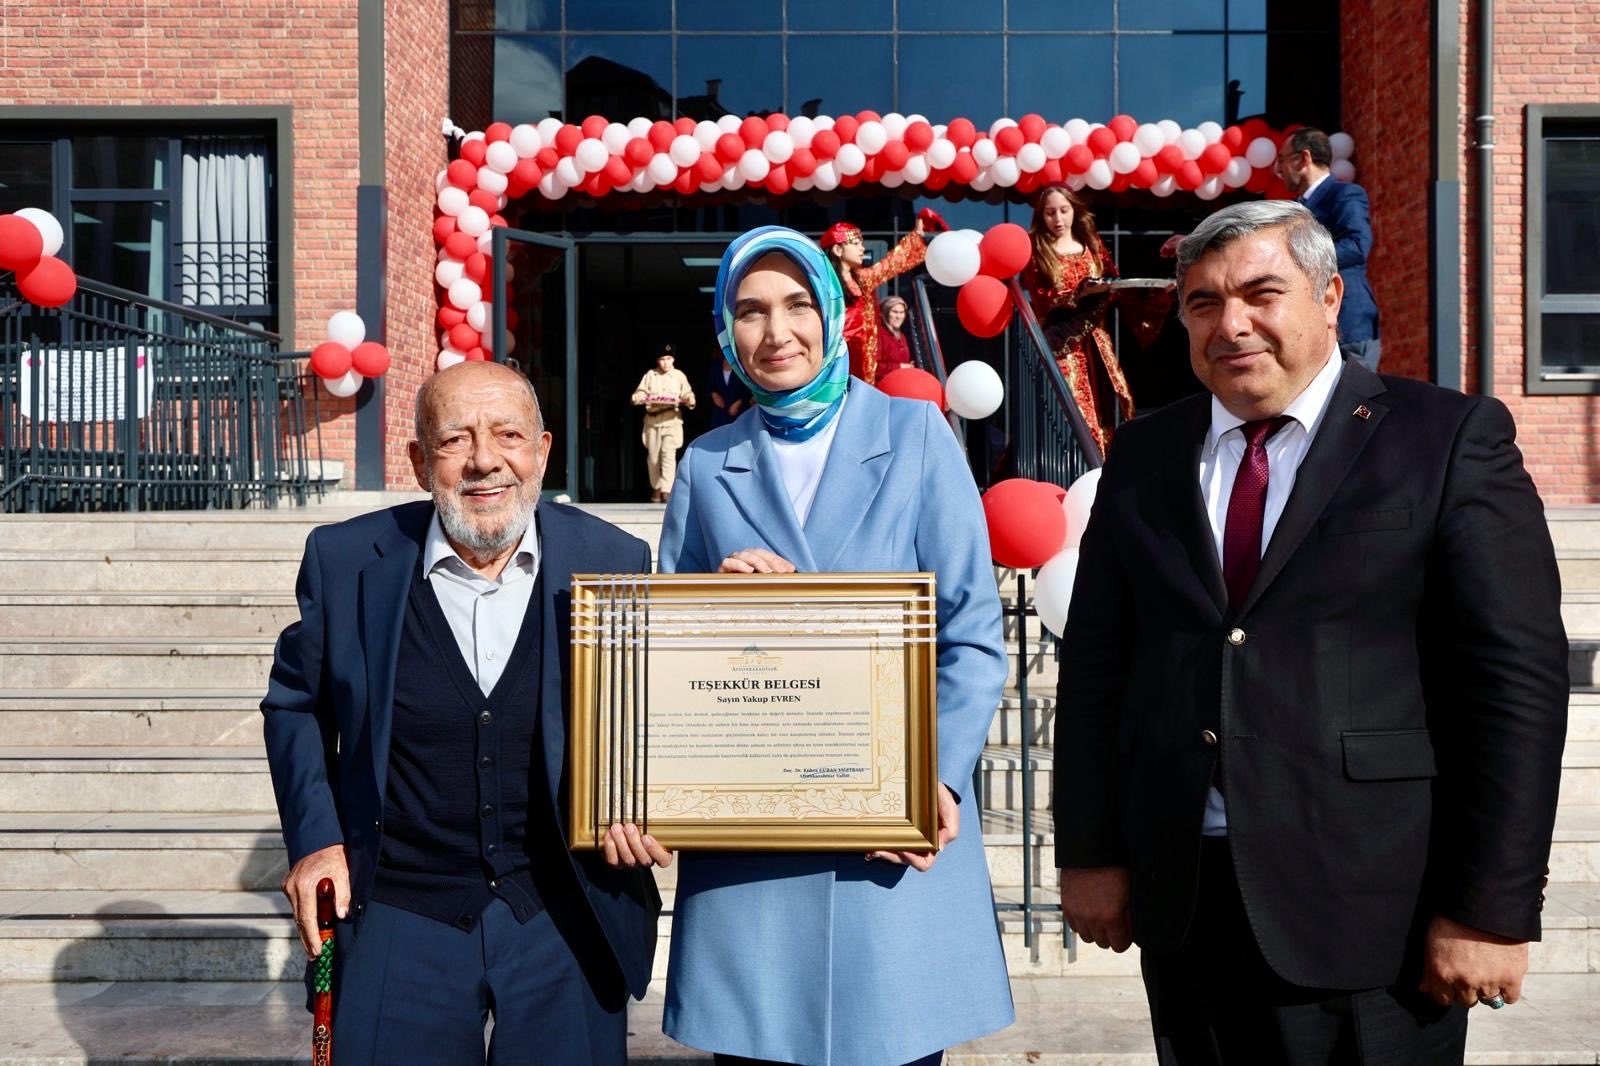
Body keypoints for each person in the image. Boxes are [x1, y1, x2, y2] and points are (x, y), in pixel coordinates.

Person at [1052, 200, 1568, 1064]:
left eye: (1262, 293)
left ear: (1330, 298)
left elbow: (1514, 683)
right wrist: (1090, 854)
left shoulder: (1446, 440)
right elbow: (1100, 668)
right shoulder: (1142, 455)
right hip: (1188, 908)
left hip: (1378, 916)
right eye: (1204, 303)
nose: (1233, 324)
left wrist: (1490, 907)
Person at [657, 226, 1014, 1065]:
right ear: (725, 330)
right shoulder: (708, 465)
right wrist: (717, 608)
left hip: (889, 851)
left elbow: (971, 632)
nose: (775, 332)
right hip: (755, 872)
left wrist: (936, 774)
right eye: (748, 311)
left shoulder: (918, 435)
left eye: (794, 306)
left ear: (831, 310)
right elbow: (664, 660)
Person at [263, 361, 666, 1065]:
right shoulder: (346, 560)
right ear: (420, 462)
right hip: (398, 908)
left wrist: (650, 802)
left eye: (508, 434)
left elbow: (654, 706)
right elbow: (293, 703)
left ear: (542, 451)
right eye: (455, 440)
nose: (485, 461)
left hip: (562, 909)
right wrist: (316, 839)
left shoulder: (613, 557)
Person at [1021, 184, 1134, 456]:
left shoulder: (1092, 246)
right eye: (1050, 213)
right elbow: (1041, 297)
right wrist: (1076, 295)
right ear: (1041, 216)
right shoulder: (1038, 251)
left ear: (1075, 210)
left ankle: (1101, 471)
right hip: (1063, 345)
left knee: (1105, 406)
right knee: (1073, 408)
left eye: (1063, 210)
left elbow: (1114, 282)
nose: (1058, 219)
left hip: (1095, 342)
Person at [1275, 126, 1382, 371]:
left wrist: (1294, 257)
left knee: (1355, 405)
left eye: (1281, 160)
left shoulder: (1345, 194)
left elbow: (1356, 246)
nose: (1279, 169)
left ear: (1303, 158)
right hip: (1308, 326)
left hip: (1348, 324)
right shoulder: (1293, 209)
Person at [821, 217, 927, 385]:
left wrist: (916, 236)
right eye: (855, 244)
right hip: (839, 359)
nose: (862, 249)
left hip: (867, 362)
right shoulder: (824, 285)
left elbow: (890, 264)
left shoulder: (863, 279)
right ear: (837, 250)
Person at [631, 344, 696, 502]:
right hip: (653, 420)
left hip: (672, 419)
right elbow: (640, 392)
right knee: (653, 458)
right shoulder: (651, 375)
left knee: (669, 455)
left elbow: (687, 393)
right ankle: (657, 486)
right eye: (662, 359)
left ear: (673, 359)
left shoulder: (679, 376)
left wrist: (689, 399)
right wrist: (638, 397)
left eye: (668, 359)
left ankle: (667, 490)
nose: (665, 362)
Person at [705, 352, 753, 430]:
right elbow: (709, 384)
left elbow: (749, 388)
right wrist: (714, 394)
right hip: (720, 413)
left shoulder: (742, 366)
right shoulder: (716, 365)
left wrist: (738, 403)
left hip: (739, 412)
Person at [878, 294, 914, 377]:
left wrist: (908, 366)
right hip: (882, 385)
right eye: (895, 312)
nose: (898, 316)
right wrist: (900, 367)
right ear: (885, 313)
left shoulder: (901, 336)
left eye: (902, 312)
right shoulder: (878, 335)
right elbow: (874, 366)